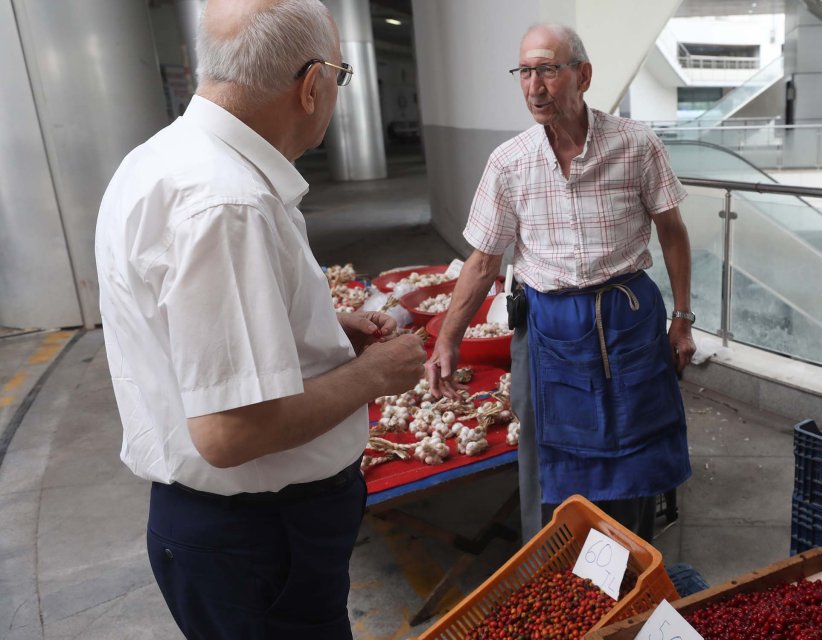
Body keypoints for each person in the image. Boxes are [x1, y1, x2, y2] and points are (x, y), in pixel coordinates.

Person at [95, 0, 425, 637]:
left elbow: (187, 334)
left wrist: (320, 334)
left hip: (231, 534)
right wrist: (376, 374)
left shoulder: (162, 159)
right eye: (340, 77)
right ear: (311, 85)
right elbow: (230, 434)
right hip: (258, 540)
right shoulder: (226, 203)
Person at [426, 23, 695, 542]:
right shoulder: (509, 163)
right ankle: (557, 569)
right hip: (549, 327)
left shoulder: (636, 145)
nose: (534, 86)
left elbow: (673, 234)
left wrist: (682, 318)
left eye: (548, 69)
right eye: (525, 72)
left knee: (632, 446)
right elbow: (483, 263)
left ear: (583, 75)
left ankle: (630, 566)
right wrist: (447, 339)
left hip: (627, 319)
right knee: (549, 453)